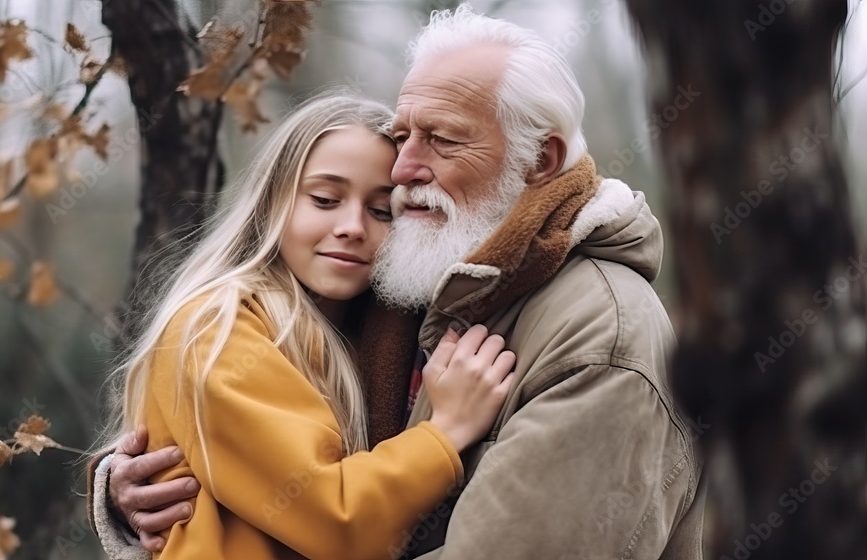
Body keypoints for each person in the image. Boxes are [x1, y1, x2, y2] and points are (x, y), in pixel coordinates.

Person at [94, 5, 704, 559]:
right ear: (272, 206)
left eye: (441, 139)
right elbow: (284, 473)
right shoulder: (404, 288)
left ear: (539, 161)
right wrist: (135, 488)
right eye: (404, 136)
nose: (406, 169)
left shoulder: (600, 335)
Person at [86, 92, 517, 559]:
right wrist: (446, 431)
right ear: (273, 202)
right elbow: (332, 518)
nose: (353, 226)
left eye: (381, 211)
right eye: (325, 199)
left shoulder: (376, 328)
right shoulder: (218, 328)